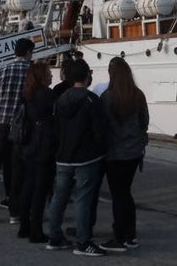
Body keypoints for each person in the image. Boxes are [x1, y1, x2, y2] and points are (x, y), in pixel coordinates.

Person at [45, 58, 108, 257]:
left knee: (59, 197)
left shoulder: (60, 100)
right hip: (86, 157)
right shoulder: (91, 100)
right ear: (87, 76)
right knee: (83, 199)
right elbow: (99, 131)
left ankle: (54, 235)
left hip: (63, 155)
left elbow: (55, 128)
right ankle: (83, 241)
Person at [98, 56, 150, 252]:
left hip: (114, 152)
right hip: (134, 151)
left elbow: (102, 126)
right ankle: (130, 234)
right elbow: (144, 121)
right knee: (126, 193)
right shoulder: (138, 95)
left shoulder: (108, 97)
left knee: (118, 195)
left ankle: (120, 236)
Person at [0, 37, 35, 222]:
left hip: (0, 123)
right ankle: (14, 212)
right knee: (15, 169)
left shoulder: (3, 70)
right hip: (21, 126)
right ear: (28, 52)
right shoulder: (32, 72)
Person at [14, 61, 56, 243]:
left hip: (28, 143)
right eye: (48, 73)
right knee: (41, 189)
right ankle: (36, 230)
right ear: (42, 76)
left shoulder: (27, 94)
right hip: (44, 144)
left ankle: (24, 225)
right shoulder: (48, 95)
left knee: (28, 186)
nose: (51, 75)